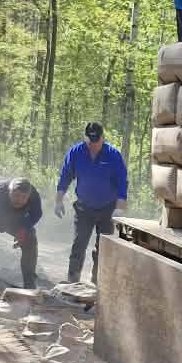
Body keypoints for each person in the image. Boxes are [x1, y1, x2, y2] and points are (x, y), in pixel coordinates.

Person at [55, 121, 128, 283]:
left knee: (102, 248)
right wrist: (58, 201)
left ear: (102, 138)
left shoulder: (113, 155)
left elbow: (122, 182)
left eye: (96, 142)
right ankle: (72, 282)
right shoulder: (75, 152)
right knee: (78, 246)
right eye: (90, 142)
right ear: (85, 138)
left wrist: (120, 209)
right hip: (84, 208)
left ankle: (97, 284)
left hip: (108, 208)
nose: (93, 146)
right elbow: (65, 176)